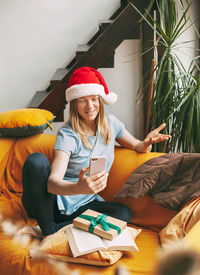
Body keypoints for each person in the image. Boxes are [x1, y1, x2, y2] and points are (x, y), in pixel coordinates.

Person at [21, 66, 171, 237]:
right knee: (36, 160)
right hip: (52, 203)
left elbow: (137, 146)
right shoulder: (68, 134)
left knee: (123, 214)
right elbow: (52, 182)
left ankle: (55, 228)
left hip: (85, 203)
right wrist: (78, 187)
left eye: (94, 99)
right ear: (74, 104)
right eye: (82, 100)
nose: (90, 106)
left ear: (101, 100)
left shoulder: (111, 125)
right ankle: (48, 232)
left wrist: (147, 142)